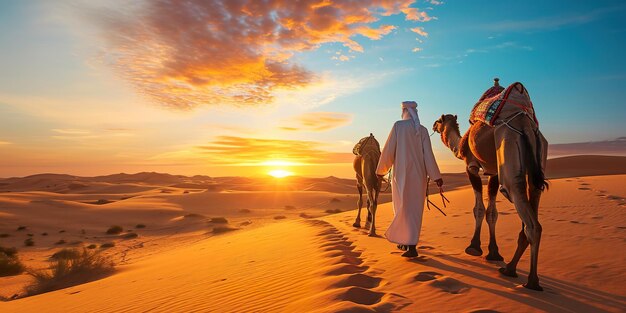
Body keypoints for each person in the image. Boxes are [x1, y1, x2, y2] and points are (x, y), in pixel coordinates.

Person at [376, 101, 443, 257]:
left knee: (401, 208)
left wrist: (380, 171)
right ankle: (407, 242)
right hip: (419, 177)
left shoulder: (398, 126)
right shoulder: (423, 130)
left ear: (404, 111)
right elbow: (429, 156)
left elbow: (388, 151)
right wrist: (436, 176)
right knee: (414, 211)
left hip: (401, 175)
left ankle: (410, 245)